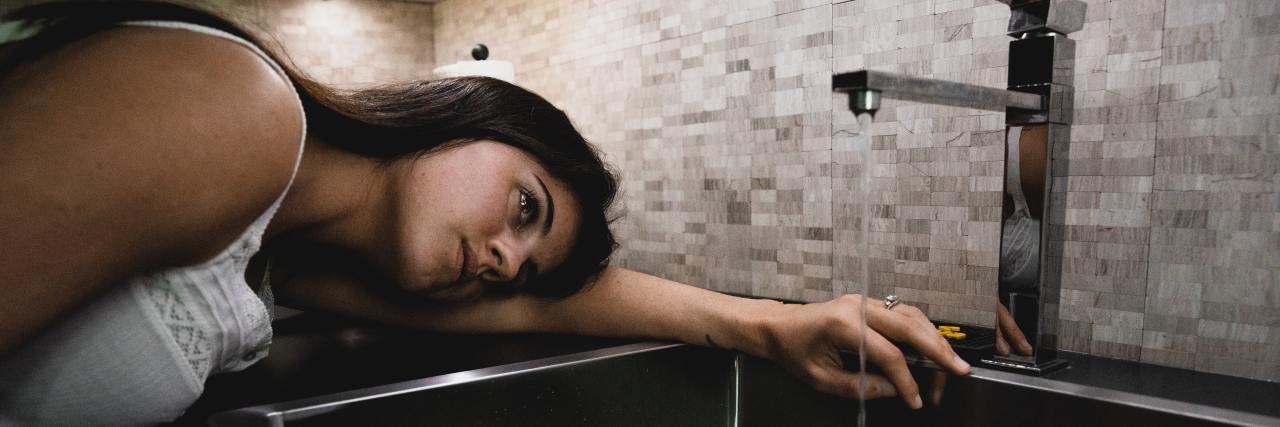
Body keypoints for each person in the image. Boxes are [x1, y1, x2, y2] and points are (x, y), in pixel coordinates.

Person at [0, 1, 970, 424]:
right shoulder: (237, 111)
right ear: (468, 113)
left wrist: (769, 321)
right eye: (522, 207)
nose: (506, 260)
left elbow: (556, 305)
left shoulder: (285, 255)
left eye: (524, 254)